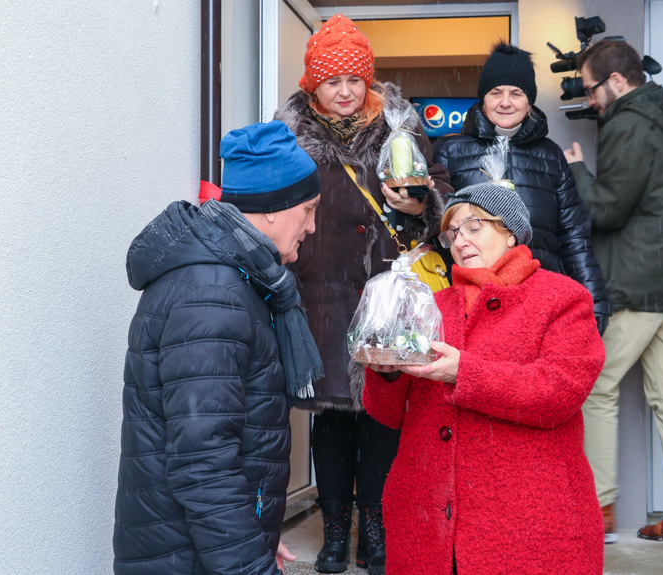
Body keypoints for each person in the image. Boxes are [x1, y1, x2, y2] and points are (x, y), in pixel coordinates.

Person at [273, 14, 453, 575]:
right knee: (329, 419)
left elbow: (440, 183)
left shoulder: (401, 126)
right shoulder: (289, 135)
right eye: (333, 81)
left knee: (381, 414)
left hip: (385, 293)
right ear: (313, 85)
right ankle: (334, 530)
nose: (346, 91)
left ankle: (374, 527)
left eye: (355, 79)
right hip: (319, 293)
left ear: (368, 79)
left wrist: (422, 204)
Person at [113, 121, 324, 575]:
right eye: (308, 210)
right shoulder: (213, 292)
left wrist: (259, 534)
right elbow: (203, 462)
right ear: (273, 208)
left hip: (199, 548)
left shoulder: (236, 276)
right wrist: (249, 564)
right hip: (188, 556)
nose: (311, 226)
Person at [364, 183, 606, 575]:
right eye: (453, 232)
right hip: (428, 524)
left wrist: (465, 372)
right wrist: (385, 372)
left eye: (473, 226)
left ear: (510, 231)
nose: (460, 239)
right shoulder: (430, 305)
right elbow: (389, 415)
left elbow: (559, 392)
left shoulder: (563, 298)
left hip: (528, 524)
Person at [563, 39, 663, 544]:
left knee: (599, 385)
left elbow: (607, 209)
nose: (589, 100)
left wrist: (579, 170)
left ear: (618, 82)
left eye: (591, 89)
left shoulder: (629, 125)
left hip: (641, 280)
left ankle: (598, 507)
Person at [433, 41, 610, 334]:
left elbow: (573, 235)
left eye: (516, 93)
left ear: (529, 100)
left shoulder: (550, 155)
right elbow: (437, 228)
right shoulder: (450, 150)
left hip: (539, 298)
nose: (505, 102)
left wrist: (594, 300)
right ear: (483, 98)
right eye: (496, 93)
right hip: (470, 300)